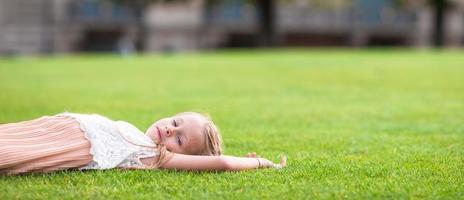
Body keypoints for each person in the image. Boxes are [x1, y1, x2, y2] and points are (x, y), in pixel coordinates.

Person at [0, 112, 286, 175]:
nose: (168, 131)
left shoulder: (155, 156)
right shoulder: (139, 135)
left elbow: (223, 163)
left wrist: (262, 162)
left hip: (65, 143)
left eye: (180, 139)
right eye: (175, 123)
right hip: (55, 126)